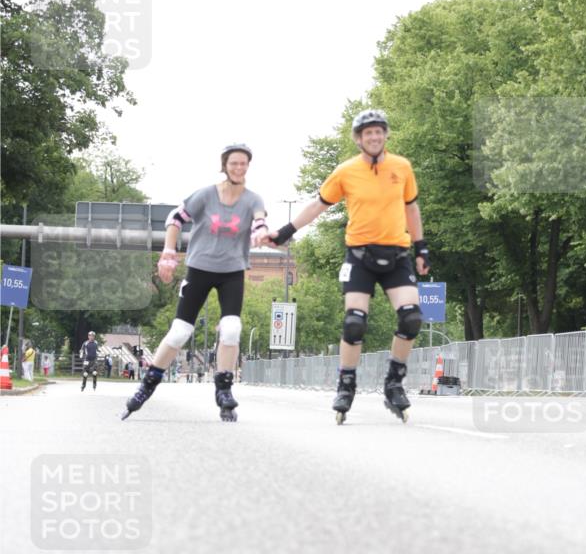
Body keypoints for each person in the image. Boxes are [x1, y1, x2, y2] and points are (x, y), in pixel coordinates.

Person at [261, 110, 429, 423]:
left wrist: (422, 248)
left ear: (386, 135)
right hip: (360, 256)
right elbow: (318, 206)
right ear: (358, 139)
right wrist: (285, 233)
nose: (374, 137)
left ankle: (394, 382)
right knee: (355, 323)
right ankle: (346, 384)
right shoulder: (345, 171)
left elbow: (412, 208)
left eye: (379, 132)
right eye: (368, 133)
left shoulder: (402, 167)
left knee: (411, 319)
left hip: (397, 255)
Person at [121, 143, 267, 422]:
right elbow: (176, 219)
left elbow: (259, 221)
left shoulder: (252, 199)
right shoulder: (205, 195)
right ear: (224, 166)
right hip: (200, 268)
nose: (239, 168)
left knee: (232, 327)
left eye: (243, 164)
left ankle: (223, 389)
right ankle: (146, 386)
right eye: (234, 163)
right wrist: (168, 253)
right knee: (179, 332)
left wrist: (261, 232)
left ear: (248, 167)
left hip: (232, 270)